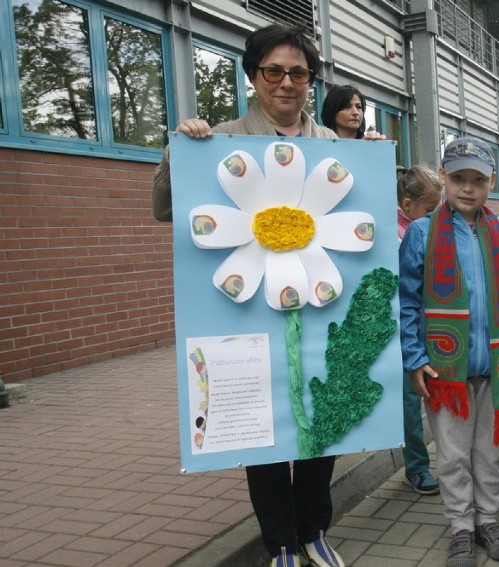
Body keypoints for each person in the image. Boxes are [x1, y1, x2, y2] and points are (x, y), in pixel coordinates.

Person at [152, 23, 344, 567]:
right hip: (249, 307)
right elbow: (166, 211)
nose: (287, 83)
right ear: (253, 76)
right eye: (274, 71)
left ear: (311, 80)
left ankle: (314, 531)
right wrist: (178, 154)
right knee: (261, 429)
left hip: (321, 307)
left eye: (299, 73)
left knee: (321, 418)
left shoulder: (335, 147)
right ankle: (280, 542)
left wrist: (373, 161)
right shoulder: (219, 139)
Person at [398, 136, 499, 566]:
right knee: (451, 455)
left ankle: (488, 519)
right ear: (443, 178)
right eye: (459, 178)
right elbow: (407, 301)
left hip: (496, 368)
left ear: (491, 182)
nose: (468, 188)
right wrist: (414, 358)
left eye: (477, 180)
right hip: (445, 373)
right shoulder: (423, 234)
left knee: (489, 452)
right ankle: (461, 526)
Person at [397, 165, 443, 495]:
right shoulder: (392, 230)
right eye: (430, 209)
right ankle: (416, 466)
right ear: (407, 204)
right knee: (410, 402)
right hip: (406, 330)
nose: (435, 215)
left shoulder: (434, 229)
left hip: (437, 327)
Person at [320, 84, 385, 140]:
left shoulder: (369, 143)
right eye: (347, 107)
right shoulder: (319, 140)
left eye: (359, 107)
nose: (355, 112)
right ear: (332, 110)